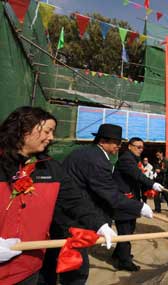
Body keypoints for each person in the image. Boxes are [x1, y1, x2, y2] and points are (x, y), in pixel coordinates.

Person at [0, 107, 116, 285]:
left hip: (31, 267)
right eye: (47, 131)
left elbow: (74, 200)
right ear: (23, 129)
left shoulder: (51, 168)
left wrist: (99, 224)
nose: (51, 138)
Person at [61, 124, 158, 276]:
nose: (119, 146)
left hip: (75, 207)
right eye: (116, 143)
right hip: (75, 214)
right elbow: (110, 194)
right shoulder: (97, 160)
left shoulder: (87, 153)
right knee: (76, 267)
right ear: (102, 141)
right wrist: (138, 206)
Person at [112, 138, 162, 271]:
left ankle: (119, 253)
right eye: (138, 147)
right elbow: (137, 176)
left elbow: (137, 179)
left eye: (142, 147)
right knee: (125, 231)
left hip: (131, 200)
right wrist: (152, 184)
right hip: (123, 201)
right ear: (130, 146)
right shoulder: (126, 159)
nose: (140, 149)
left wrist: (148, 189)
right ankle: (124, 262)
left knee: (129, 229)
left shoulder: (134, 159)